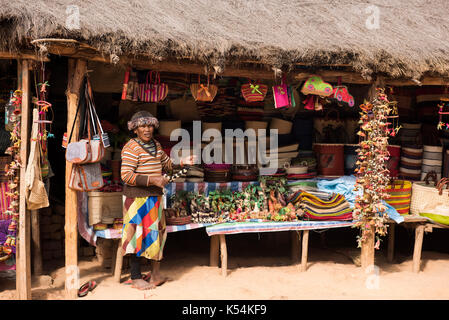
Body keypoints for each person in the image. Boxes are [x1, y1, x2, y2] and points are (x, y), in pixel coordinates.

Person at [121, 111, 194, 290]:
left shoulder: (156, 145)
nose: (147, 129)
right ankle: (136, 277)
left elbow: (167, 164)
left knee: (157, 234)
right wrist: (152, 179)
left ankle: (155, 275)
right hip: (136, 198)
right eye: (142, 126)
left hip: (155, 197)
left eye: (150, 126)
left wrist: (182, 163)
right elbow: (126, 175)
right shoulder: (131, 147)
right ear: (135, 129)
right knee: (137, 236)